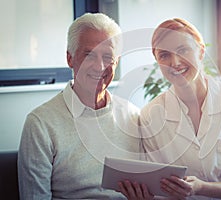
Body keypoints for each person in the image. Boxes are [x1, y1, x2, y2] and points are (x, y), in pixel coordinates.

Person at [119, 18, 221, 199]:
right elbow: (159, 189)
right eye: (164, 55)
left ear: (201, 51)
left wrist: (200, 187)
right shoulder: (150, 115)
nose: (174, 62)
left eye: (183, 50)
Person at [18, 13, 141, 199]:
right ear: (70, 58)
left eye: (108, 56)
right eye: (89, 55)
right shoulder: (40, 123)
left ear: (117, 61)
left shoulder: (133, 116)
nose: (100, 66)